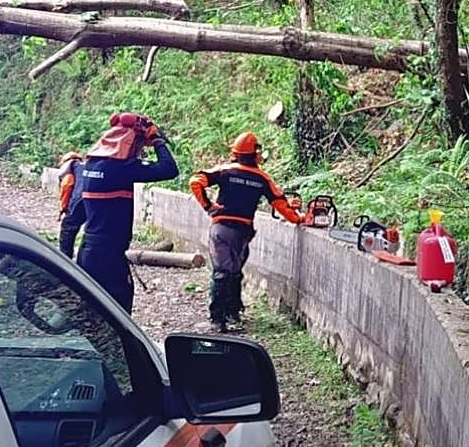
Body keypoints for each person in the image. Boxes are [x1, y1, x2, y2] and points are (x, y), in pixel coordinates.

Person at [188, 131, 304, 333]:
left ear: (236, 152)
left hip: (221, 229)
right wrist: (300, 219)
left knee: (222, 272)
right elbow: (281, 205)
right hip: (242, 233)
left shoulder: (224, 171)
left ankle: (218, 318)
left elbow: (195, 181)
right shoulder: (262, 178)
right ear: (255, 154)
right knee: (233, 271)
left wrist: (208, 206)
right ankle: (233, 311)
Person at [79, 113, 179, 313]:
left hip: (88, 250)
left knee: (92, 310)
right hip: (109, 254)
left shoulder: (91, 165)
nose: (140, 151)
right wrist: (157, 140)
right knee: (119, 311)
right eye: (139, 146)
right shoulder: (121, 168)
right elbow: (169, 169)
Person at [56, 151, 86, 259]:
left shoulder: (69, 168)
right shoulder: (84, 166)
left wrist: (63, 209)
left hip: (79, 199)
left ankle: (65, 258)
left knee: (67, 229)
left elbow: (67, 186)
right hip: (96, 199)